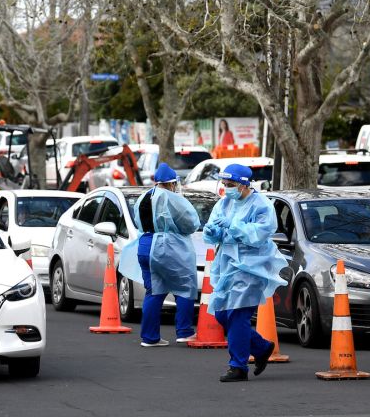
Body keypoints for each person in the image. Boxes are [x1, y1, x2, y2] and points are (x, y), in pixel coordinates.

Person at [202, 163, 285, 382]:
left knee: (238, 314)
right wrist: (213, 232)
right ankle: (261, 347)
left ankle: (238, 366)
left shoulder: (262, 205)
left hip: (252, 264)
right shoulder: (224, 203)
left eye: (230, 185)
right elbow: (214, 231)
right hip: (227, 264)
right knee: (221, 313)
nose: (227, 188)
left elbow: (260, 233)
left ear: (243, 185)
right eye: (225, 184)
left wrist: (235, 225)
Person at [118, 162, 201, 347]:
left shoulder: (143, 197)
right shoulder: (171, 197)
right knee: (185, 285)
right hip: (167, 246)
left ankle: (149, 337)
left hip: (145, 245)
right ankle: (185, 331)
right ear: (172, 183)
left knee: (154, 291)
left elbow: (139, 222)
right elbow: (191, 223)